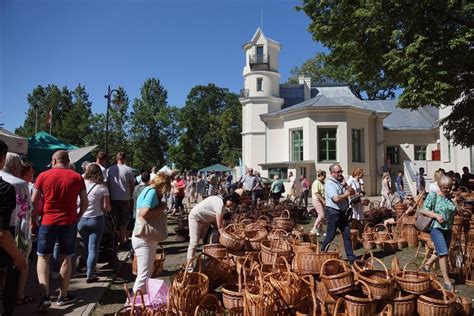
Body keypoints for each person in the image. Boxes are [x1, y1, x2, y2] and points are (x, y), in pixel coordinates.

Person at [32, 150, 88, 311]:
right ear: (67, 160)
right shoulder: (77, 177)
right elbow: (84, 202)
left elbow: (34, 201)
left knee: (43, 257)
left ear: (54, 160)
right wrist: (78, 217)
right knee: (67, 257)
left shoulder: (43, 176)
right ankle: (63, 295)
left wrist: (32, 221)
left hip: (48, 221)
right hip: (69, 222)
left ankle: (45, 296)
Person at [0, 153, 33, 310]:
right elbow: (25, 212)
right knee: (12, 275)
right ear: (14, 166)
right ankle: (18, 296)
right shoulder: (19, 183)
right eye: (19, 166)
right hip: (12, 231)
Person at [132, 173, 171, 293]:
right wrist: (162, 208)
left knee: (145, 274)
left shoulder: (147, 190)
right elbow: (144, 213)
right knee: (143, 276)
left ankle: (138, 303)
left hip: (144, 237)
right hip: (144, 239)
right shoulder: (152, 192)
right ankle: (134, 304)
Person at [419, 175, 457, 291]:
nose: (448, 190)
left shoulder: (450, 197)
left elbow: (456, 211)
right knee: (444, 253)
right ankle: (446, 281)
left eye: (450, 187)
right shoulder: (433, 195)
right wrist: (435, 215)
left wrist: (456, 203)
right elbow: (423, 210)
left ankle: (426, 265)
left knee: (441, 251)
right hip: (436, 228)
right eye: (446, 188)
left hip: (448, 228)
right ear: (440, 186)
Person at [77, 163, 111, 283]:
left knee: (86, 246)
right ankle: (90, 274)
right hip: (96, 219)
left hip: (81, 219)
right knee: (93, 248)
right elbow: (106, 207)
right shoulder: (102, 188)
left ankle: (87, 267)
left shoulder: (80, 184)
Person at [186, 190, 242, 261]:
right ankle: (189, 267)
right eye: (232, 203)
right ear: (229, 199)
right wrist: (225, 237)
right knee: (194, 242)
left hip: (206, 220)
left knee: (206, 241)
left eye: (233, 205)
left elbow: (216, 221)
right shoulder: (220, 204)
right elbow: (220, 227)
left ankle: (205, 259)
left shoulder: (222, 203)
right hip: (195, 218)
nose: (231, 206)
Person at [320, 163, 356, 264]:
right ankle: (321, 254)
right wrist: (345, 194)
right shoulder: (329, 184)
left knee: (347, 234)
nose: (341, 174)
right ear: (332, 173)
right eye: (338, 172)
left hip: (342, 213)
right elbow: (336, 199)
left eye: (341, 171)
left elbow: (352, 192)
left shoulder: (341, 182)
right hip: (333, 212)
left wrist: (345, 185)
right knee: (330, 236)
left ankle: (351, 258)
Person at [107, 151, 135, 248]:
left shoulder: (110, 170)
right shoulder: (129, 170)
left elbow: (107, 183)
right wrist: (131, 196)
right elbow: (132, 184)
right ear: (124, 159)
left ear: (116, 158)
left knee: (115, 220)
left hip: (113, 198)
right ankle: (123, 240)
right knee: (124, 221)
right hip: (125, 198)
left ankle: (115, 240)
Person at [310, 170, 326, 236]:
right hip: (317, 200)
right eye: (324, 176)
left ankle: (321, 230)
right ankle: (314, 228)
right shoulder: (316, 182)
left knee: (321, 216)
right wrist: (323, 201)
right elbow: (317, 193)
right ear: (321, 175)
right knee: (322, 215)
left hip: (321, 200)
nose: (325, 177)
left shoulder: (322, 182)